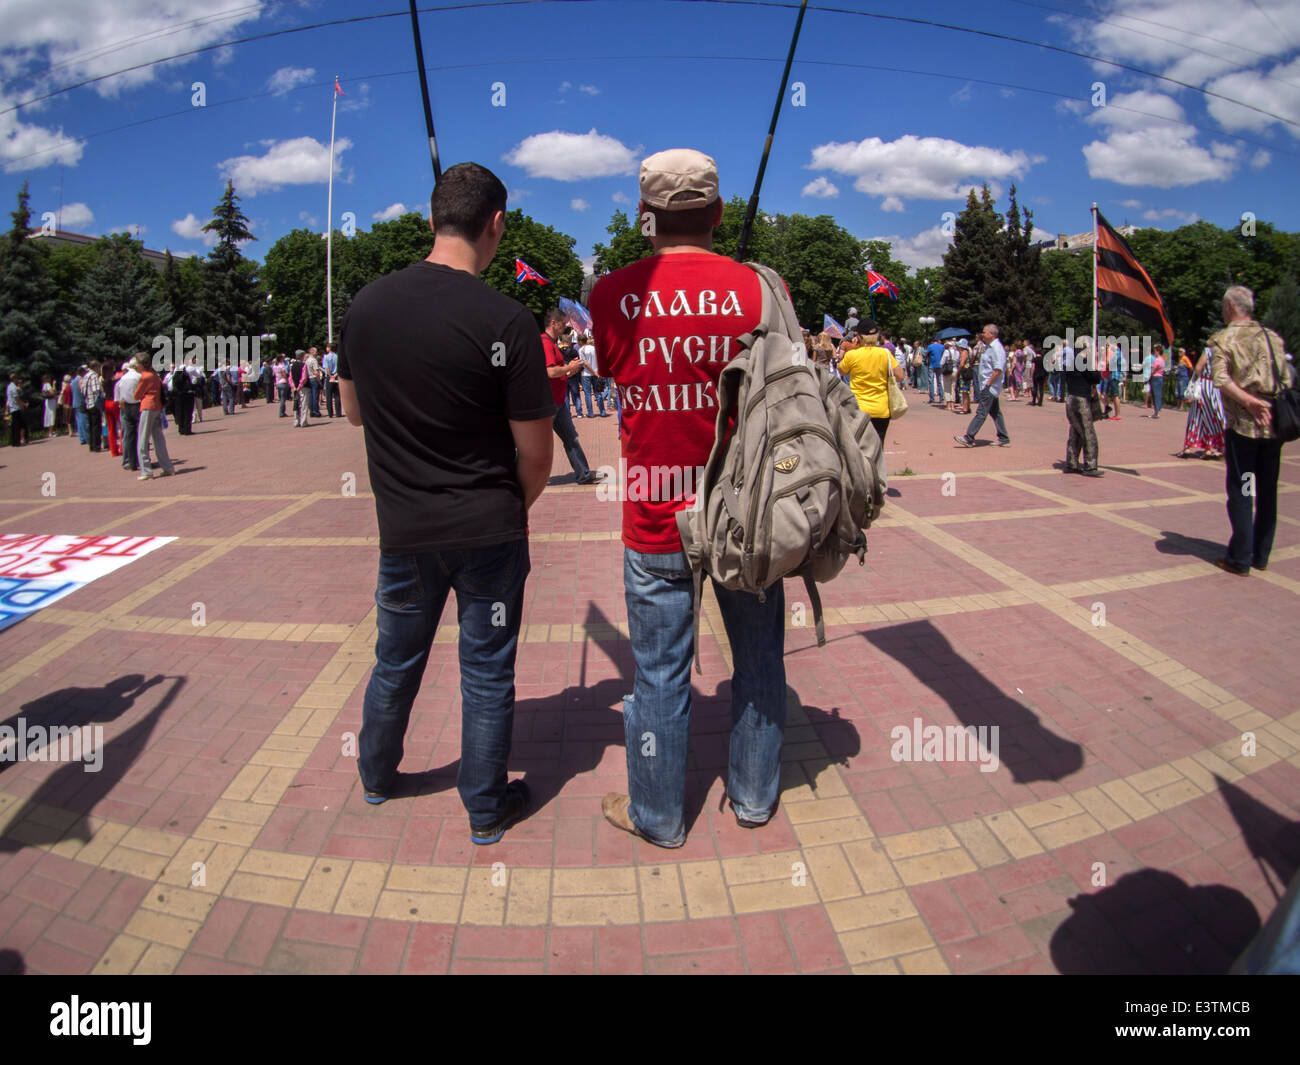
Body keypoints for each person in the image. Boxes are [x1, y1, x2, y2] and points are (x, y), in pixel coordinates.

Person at [338, 160, 554, 844]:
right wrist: (509, 506)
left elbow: (351, 413)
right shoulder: (507, 319)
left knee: (395, 658)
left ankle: (376, 774)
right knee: (486, 668)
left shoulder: (367, 305)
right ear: (495, 224)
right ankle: (485, 806)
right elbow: (538, 452)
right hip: (489, 528)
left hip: (404, 529)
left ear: (431, 218)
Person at [589, 147, 790, 847]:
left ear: (645, 216)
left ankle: (660, 815)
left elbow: (616, 371)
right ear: (720, 212)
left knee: (658, 676)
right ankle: (756, 797)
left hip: (655, 510)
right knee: (760, 660)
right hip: (745, 512)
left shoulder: (610, 294)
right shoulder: (764, 290)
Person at [1209, 285, 1290, 575]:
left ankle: (1240, 558)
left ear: (1230, 307)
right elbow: (1287, 377)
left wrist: (1248, 401)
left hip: (1244, 425)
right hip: (1274, 425)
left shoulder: (1223, 338)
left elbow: (1219, 379)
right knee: (1268, 491)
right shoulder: (1273, 338)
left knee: (1243, 490)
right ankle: (1261, 554)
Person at [541, 308, 600, 483]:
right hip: (549, 402)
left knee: (571, 438)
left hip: (558, 402)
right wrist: (568, 368)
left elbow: (556, 374)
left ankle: (584, 474)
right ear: (554, 323)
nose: (565, 328)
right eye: (563, 324)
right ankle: (513, 475)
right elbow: (550, 372)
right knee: (537, 444)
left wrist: (570, 370)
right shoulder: (545, 343)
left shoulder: (551, 343)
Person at [839, 322, 904, 444]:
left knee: (857, 449)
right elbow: (900, 376)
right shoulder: (885, 354)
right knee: (878, 449)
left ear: (858, 336)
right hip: (881, 409)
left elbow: (841, 371)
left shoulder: (852, 355)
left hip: (859, 409)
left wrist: (854, 347)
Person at [955, 323, 1011, 448]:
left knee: (981, 412)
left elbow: (998, 369)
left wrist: (988, 384)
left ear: (991, 334)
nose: (982, 334)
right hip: (987, 385)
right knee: (995, 412)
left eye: (984, 332)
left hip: (990, 386)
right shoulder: (989, 347)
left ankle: (969, 437)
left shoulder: (997, 348)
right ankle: (1004, 438)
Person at [1063, 341, 1104, 476]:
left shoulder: (1071, 363)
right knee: (1088, 433)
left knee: (1075, 432)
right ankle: (1090, 466)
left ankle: (1072, 463)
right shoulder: (1083, 362)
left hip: (1070, 399)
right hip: (1081, 400)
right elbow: (1096, 377)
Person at [1179, 348, 1226, 459]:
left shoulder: (1209, 350)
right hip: (1216, 387)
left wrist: (1194, 380)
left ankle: (1188, 447)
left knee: (1195, 417)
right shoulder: (1226, 352)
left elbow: (1198, 368)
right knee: (1214, 417)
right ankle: (1211, 448)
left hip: (1203, 386)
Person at [133, 356, 175, 479]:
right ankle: (167, 467)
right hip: (157, 407)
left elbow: (136, 395)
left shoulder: (145, 376)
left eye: (137, 363)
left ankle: (146, 471)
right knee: (158, 439)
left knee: (142, 440)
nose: (136, 366)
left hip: (147, 407)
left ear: (141, 364)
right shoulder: (154, 375)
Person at [116, 357, 141, 471]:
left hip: (125, 406)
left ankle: (129, 462)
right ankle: (140, 459)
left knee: (128, 435)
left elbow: (117, 397)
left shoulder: (122, 379)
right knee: (140, 434)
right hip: (137, 405)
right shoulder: (138, 376)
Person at [577, 334, 606, 417]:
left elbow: (585, 363)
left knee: (588, 394)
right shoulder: (594, 348)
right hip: (596, 372)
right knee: (598, 392)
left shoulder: (581, 350)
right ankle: (602, 411)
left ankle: (590, 413)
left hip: (586, 374)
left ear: (580, 341)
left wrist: (594, 372)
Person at [82, 361, 104, 452]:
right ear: (95, 367)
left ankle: (91, 445)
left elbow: (83, 391)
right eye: (99, 368)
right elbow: (96, 390)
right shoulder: (94, 376)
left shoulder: (86, 376)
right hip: (95, 403)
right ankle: (97, 445)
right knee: (96, 425)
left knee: (91, 425)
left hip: (88, 403)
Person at [6, 374, 26, 447]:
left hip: (12, 408)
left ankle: (14, 442)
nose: (17, 380)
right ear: (14, 379)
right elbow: (16, 398)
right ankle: (17, 442)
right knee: (18, 426)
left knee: (14, 426)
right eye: (16, 378)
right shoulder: (13, 387)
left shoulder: (9, 387)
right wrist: (21, 405)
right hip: (16, 408)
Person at [323, 342, 341, 418]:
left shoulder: (326, 357)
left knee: (329, 396)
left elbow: (326, 368)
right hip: (336, 376)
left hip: (329, 377)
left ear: (329, 348)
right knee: (337, 395)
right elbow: (339, 367)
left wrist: (330, 376)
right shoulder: (337, 357)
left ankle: (330, 413)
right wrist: (335, 375)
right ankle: (338, 413)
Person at [1149, 344, 1166, 420]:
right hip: (1160, 378)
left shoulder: (1157, 360)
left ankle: (1156, 412)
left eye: (1155, 351)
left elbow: (1152, 370)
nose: (1154, 352)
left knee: (1155, 394)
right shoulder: (1162, 360)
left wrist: (1148, 378)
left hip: (1155, 378)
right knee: (1158, 394)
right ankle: (1157, 411)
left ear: (1158, 351)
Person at [927, 337, 946, 405]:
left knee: (931, 381)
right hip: (940, 365)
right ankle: (941, 398)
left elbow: (927, 354)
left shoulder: (930, 346)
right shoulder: (942, 346)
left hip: (932, 364)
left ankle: (932, 398)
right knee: (940, 381)